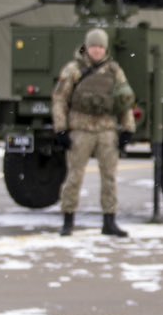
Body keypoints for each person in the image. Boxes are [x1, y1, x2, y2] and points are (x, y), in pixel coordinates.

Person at [52, 27, 135, 237]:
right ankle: (68, 219)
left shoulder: (114, 71)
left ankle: (110, 221)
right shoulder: (73, 70)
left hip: (106, 130)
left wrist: (128, 129)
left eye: (100, 47)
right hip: (81, 130)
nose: (97, 50)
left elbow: (124, 100)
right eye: (93, 46)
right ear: (86, 47)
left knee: (109, 177)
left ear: (105, 48)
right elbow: (60, 99)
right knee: (74, 176)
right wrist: (61, 129)